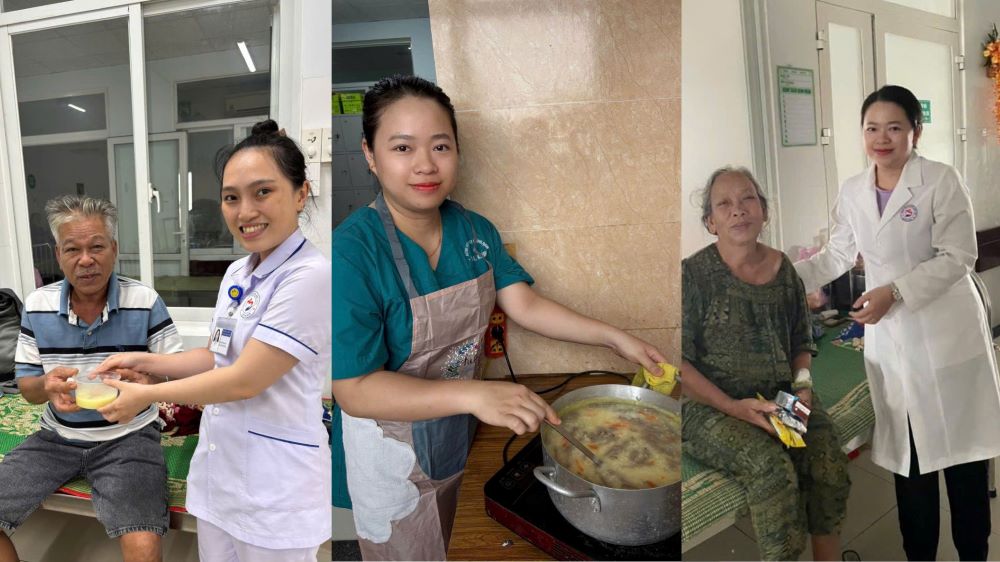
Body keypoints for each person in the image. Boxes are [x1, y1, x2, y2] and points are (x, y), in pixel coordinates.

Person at [331, 74, 668, 561]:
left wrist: (614, 339)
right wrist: (475, 393)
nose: (425, 164)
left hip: (457, 427)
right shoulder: (352, 253)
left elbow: (523, 304)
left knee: (458, 534)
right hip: (390, 452)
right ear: (370, 154)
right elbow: (354, 389)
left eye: (440, 146)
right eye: (402, 147)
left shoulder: (474, 230)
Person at [94, 120, 331, 562]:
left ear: (301, 193)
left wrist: (145, 395)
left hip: (276, 490)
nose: (245, 212)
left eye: (263, 192)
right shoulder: (238, 273)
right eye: (231, 197)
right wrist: (143, 360)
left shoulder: (311, 276)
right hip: (222, 479)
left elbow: (243, 380)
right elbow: (217, 356)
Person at [795, 85, 1000, 561]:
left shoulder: (940, 180)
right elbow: (839, 253)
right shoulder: (853, 189)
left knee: (965, 464)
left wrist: (895, 292)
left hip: (949, 337)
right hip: (892, 342)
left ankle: (974, 554)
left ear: (915, 131)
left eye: (894, 128)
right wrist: (780, 275)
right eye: (871, 128)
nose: (881, 138)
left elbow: (959, 256)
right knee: (910, 467)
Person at [0, 195, 183, 562]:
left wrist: (145, 387)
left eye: (97, 246)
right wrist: (47, 387)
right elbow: (27, 387)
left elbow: (174, 374)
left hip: (129, 438)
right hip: (56, 436)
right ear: (59, 255)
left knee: (144, 546)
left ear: (113, 249)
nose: (86, 260)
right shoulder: (37, 306)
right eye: (73, 249)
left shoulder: (144, 300)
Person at [682, 167, 851, 561]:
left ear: (764, 211)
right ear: (711, 222)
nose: (737, 210)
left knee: (825, 459)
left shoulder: (784, 270)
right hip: (712, 408)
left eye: (747, 199)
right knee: (771, 470)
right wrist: (731, 406)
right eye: (724, 204)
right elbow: (680, 364)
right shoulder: (693, 276)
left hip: (779, 399)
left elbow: (800, 339)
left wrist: (803, 386)